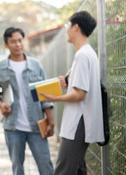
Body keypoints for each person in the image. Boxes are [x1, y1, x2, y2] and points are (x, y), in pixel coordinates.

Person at [42, 11, 104, 175]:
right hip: (82, 120)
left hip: (79, 121)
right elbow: (82, 88)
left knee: (64, 170)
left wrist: (54, 98)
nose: (66, 30)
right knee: (78, 169)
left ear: (75, 27)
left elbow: (79, 94)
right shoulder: (87, 53)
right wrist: (69, 83)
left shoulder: (82, 55)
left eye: (67, 25)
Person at [0, 27, 54, 175]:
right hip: (13, 128)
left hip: (36, 126)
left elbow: (45, 95)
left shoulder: (36, 66)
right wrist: (0, 104)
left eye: (20, 40)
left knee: (46, 166)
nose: (18, 44)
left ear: (24, 41)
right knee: (18, 169)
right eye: (13, 41)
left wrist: (51, 120)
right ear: (6, 44)